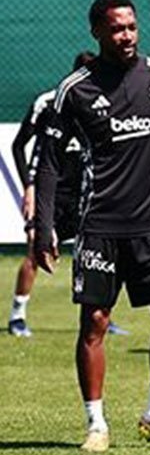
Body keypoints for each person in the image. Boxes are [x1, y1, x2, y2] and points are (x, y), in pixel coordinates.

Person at [32, 0, 150, 453]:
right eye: (116, 28)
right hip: (99, 227)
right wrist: (43, 227)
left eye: (131, 26)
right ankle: (96, 424)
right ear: (97, 31)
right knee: (94, 321)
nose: (126, 35)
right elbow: (49, 162)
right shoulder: (75, 89)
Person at [9, 52, 132, 338]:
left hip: (85, 194)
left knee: (97, 255)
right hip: (49, 193)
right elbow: (19, 146)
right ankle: (17, 316)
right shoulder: (49, 102)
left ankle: (101, 316)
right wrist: (29, 187)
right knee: (35, 249)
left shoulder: (105, 104)